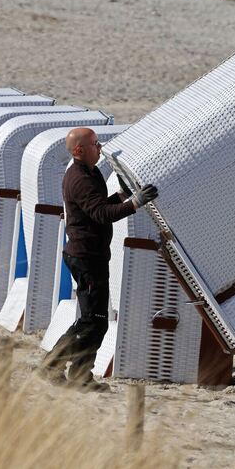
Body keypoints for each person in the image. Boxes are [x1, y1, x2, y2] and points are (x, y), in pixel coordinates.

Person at [39, 128, 158, 392]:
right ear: (79, 150)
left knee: (93, 320)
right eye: (94, 144)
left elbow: (97, 206)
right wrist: (135, 203)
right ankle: (60, 368)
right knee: (93, 321)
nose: (100, 147)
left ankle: (69, 371)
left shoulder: (88, 172)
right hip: (86, 258)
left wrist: (122, 195)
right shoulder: (80, 178)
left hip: (90, 255)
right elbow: (102, 214)